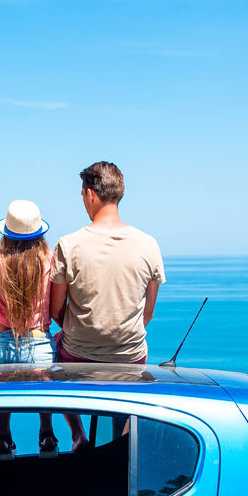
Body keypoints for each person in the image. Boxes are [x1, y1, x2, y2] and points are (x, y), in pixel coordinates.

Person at [50, 161, 166, 449]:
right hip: (129, 357)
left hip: (77, 356)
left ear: (90, 194)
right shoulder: (148, 243)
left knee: (51, 352)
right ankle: (123, 440)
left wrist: (83, 330)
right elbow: (148, 311)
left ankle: (78, 435)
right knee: (132, 378)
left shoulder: (69, 244)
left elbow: (55, 311)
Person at [0, 199, 58, 459]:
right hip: (39, 339)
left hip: (5, 338)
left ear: (6, 232)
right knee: (44, 396)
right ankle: (47, 436)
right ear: (39, 234)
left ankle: (3, 438)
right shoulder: (48, 260)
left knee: (3, 396)